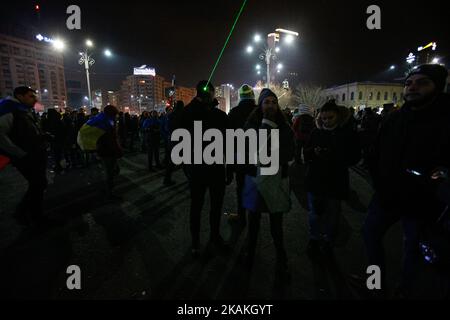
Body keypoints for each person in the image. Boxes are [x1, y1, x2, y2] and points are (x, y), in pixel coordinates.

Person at [364, 64, 450, 297]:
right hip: (386, 196)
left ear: (437, 87)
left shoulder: (444, 121)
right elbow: (375, 152)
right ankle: (375, 283)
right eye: (409, 83)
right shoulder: (395, 118)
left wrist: (433, 184)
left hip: (422, 204)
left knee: (412, 250)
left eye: (422, 83)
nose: (413, 87)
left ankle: (404, 290)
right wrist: (379, 181)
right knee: (370, 235)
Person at [241, 88, 295, 272]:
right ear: (260, 104)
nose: (271, 105)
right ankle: (249, 255)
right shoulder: (251, 125)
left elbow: (289, 152)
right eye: (267, 102)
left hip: (277, 180)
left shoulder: (285, 126)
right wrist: (266, 126)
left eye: (274, 102)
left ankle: (281, 260)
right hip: (256, 180)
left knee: (276, 225)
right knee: (253, 222)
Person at [303, 101, 360, 257]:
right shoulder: (316, 132)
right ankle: (314, 239)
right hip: (316, 181)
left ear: (338, 116)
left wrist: (335, 155)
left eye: (330, 117)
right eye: (324, 118)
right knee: (314, 214)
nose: (327, 121)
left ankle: (328, 241)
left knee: (333, 215)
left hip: (336, 182)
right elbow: (306, 154)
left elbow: (354, 157)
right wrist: (314, 153)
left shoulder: (347, 134)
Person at [181, 80, 229, 257]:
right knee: (200, 206)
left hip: (207, 169)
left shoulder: (216, 115)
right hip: (204, 169)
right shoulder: (192, 113)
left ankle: (210, 238)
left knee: (208, 206)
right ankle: (200, 241)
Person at [0, 86, 49, 227]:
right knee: (38, 184)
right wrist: (20, 154)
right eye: (31, 96)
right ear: (20, 96)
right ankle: (36, 218)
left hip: (33, 154)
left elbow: (27, 131)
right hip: (25, 156)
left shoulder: (22, 110)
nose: (35, 99)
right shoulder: (8, 109)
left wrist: (42, 136)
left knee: (39, 184)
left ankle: (25, 213)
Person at [226, 84, 258, 228]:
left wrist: (229, 167)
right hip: (257, 159)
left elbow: (229, 139)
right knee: (254, 188)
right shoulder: (259, 112)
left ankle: (241, 217)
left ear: (240, 97)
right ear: (252, 96)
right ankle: (253, 220)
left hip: (239, 158)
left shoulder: (234, 112)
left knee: (241, 188)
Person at [92, 105, 123, 200]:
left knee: (110, 171)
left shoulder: (102, 121)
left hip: (104, 151)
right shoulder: (107, 123)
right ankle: (109, 193)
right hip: (108, 152)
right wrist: (118, 150)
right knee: (110, 172)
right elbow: (111, 139)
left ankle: (108, 189)